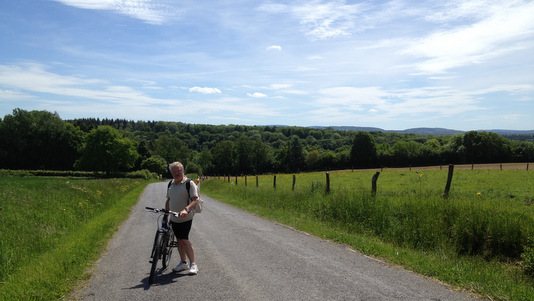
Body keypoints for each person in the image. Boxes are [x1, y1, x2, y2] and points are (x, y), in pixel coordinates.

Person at [165, 161, 199, 275]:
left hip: (186, 217)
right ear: (171, 173)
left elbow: (195, 200)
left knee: (184, 239)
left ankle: (193, 264)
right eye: (174, 171)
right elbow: (168, 200)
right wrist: (166, 214)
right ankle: (183, 263)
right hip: (174, 218)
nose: (176, 173)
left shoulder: (189, 183)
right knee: (179, 240)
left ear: (183, 171)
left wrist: (186, 209)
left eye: (178, 170)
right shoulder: (170, 184)